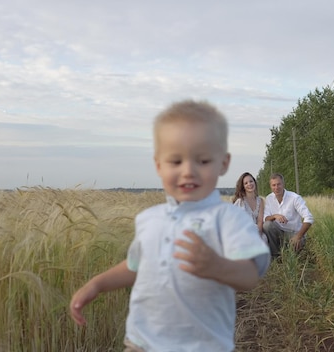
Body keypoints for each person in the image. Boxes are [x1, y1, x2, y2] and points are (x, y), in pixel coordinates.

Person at [69, 100, 270, 352]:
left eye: (203, 160)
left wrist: (217, 266)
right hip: (140, 342)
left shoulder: (228, 218)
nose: (188, 171)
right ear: (158, 165)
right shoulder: (149, 219)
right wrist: (96, 284)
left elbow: (250, 276)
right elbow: (136, 266)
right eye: (175, 161)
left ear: (223, 163)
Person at [263, 173, 314, 257]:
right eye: (273, 185)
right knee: (267, 225)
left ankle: (293, 253)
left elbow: (309, 218)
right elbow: (266, 218)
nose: (276, 187)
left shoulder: (295, 198)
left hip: (294, 233)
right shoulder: (269, 198)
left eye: (279, 184)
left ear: (283, 184)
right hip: (279, 232)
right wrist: (275, 216)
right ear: (270, 186)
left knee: (292, 255)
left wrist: (298, 236)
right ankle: (276, 255)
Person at [232, 172, 266, 242]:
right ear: (243, 186)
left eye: (251, 181)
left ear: (254, 182)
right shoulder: (240, 202)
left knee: (264, 238)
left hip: (256, 231)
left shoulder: (260, 201)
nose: (249, 184)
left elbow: (260, 221)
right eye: (246, 183)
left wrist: (258, 235)